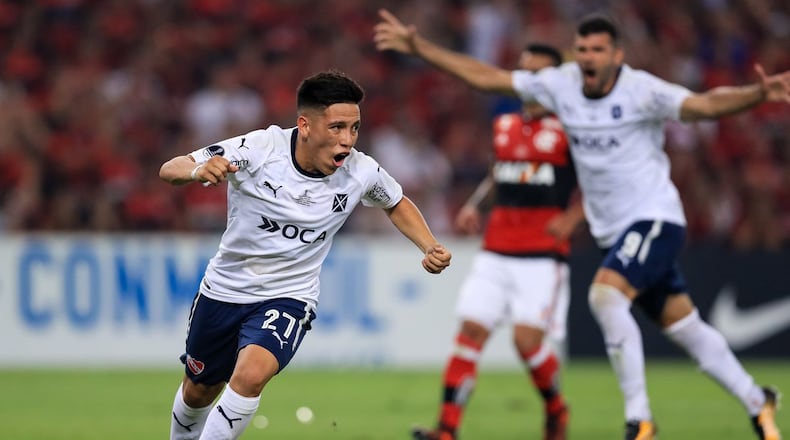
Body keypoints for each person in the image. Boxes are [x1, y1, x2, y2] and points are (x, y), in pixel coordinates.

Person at [374, 9, 789, 440]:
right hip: (616, 232)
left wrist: (757, 94)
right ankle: (758, 402)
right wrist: (419, 47)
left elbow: (703, 105)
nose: (588, 57)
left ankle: (640, 420)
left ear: (617, 55)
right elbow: (486, 77)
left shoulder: (642, 91)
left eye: (598, 50)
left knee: (606, 296)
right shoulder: (561, 84)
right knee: (687, 327)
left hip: (654, 218)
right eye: (583, 49)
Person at [159, 70, 452, 440]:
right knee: (198, 389)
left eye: (355, 128)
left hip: (289, 296)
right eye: (337, 128)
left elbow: (395, 202)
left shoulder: (360, 171)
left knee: (250, 376)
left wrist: (429, 245)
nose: (347, 140)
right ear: (306, 125)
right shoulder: (261, 149)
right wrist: (199, 168)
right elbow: (170, 168)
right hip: (225, 290)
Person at [410, 43, 583, 440]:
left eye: (539, 74)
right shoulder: (506, 124)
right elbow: (500, 175)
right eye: (525, 71)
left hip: (542, 253)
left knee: (526, 343)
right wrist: (475, 204)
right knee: (470, 330)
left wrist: (573, 218)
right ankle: (447, 430)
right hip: (496, 248)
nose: (529, 81)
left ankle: (556, 409)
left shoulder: (571, 128)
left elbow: (601, 184)